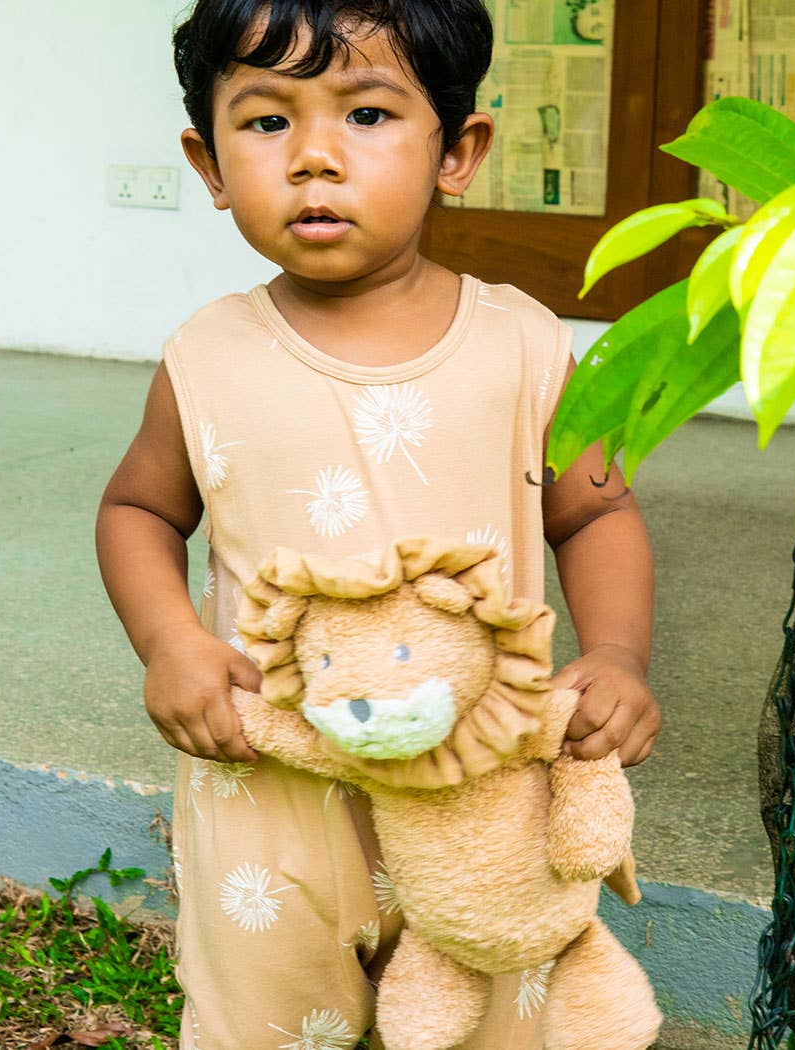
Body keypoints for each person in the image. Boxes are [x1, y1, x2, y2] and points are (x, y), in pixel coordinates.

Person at [95, 1, 661, 1047]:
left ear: (459, 150)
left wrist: (619, 652)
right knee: (264, 1014)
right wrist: (169, 641)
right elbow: (137, 508)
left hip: (482, 797)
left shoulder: (524, 345)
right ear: (209, 164)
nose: (314, 157)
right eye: (267, 124)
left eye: (366, 115)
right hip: (269, 787)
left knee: (492, 1007)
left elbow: (595, 515)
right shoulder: (206, 359)